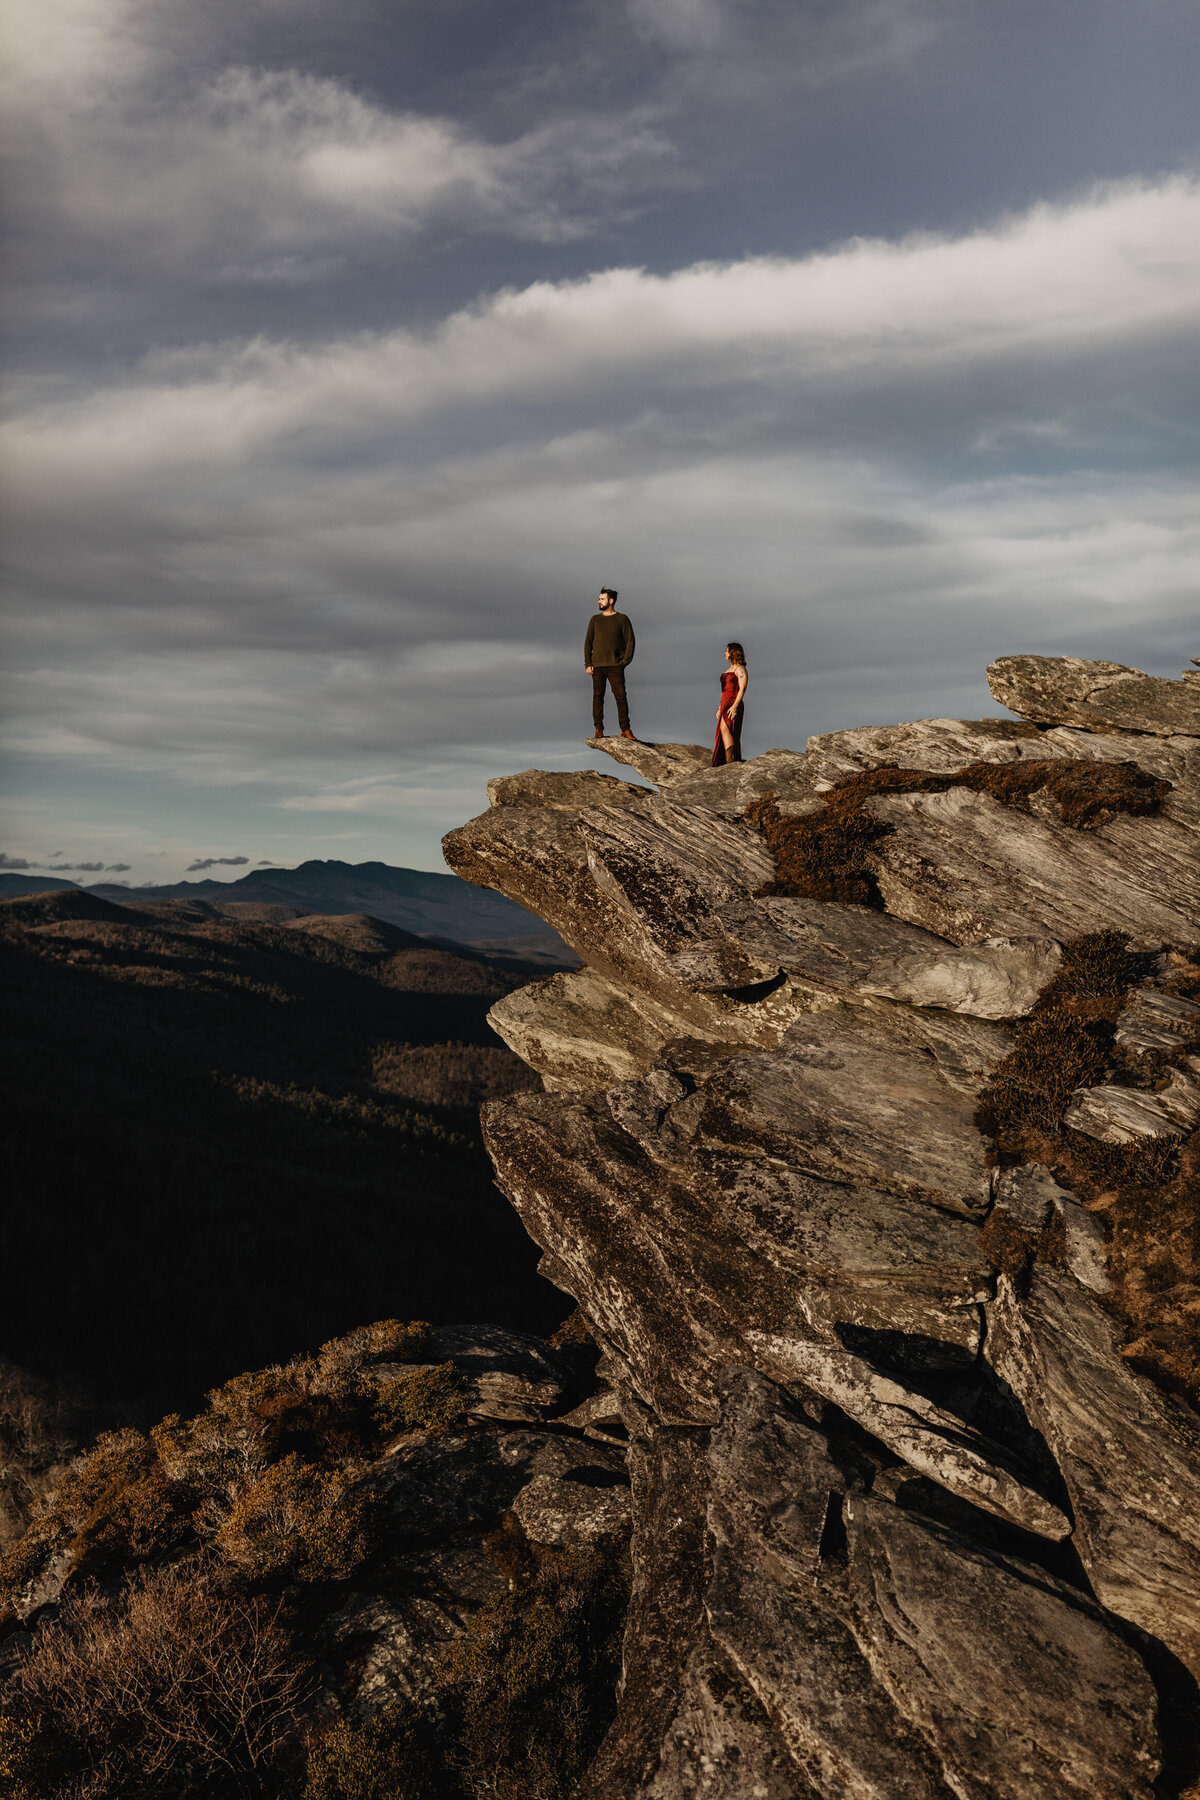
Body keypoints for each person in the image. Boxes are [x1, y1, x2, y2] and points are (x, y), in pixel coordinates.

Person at [585, 587, 636, 740]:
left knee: (621, 697)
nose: (599, 601)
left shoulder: (622, 619)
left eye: (602, 599)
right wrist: (588, 663)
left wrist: (624, 662)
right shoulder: (595, 619)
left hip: (616, 665)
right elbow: (588, 642)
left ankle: (625, 729)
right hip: (597, 665)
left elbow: (630, 642)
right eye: (599, 599)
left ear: (611, 601)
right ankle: (598, 729)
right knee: (598, 696)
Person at [713, 642, 747, 765]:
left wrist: (735, 706)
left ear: (732, 653)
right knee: (723, 730)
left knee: (726, 728)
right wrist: (719, 707)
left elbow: (742, 689)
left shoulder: (740, 669)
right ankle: (729, 760)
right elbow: (724, 691)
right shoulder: (729, 669)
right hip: (725, 702)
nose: (725, 653)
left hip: (733, 702)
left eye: (727, 651)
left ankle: (731, 760)